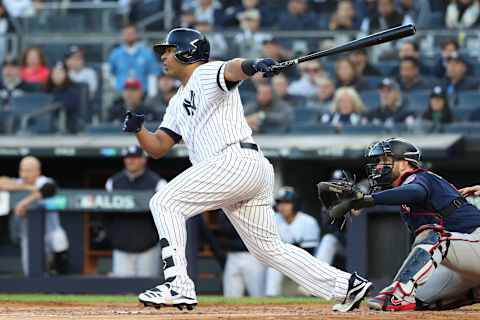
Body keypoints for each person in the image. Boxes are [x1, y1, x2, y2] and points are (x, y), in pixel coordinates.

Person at [122, 27, 371, 312]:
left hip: (233, 160)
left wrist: (253, 65)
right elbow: (159, 147)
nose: (163, 56)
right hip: (240, 170)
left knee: (164, 202)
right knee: (267, 249)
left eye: (167, 50)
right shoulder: (177, 101)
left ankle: (178, 285)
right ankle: (346, 285)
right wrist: (139, 130)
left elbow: (232, 69)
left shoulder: (204, 74)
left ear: (186, 52)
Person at [322, 138, 480, 311]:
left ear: (405, 163)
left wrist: (367, 200)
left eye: (385, 160)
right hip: (466, 259)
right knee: (420, 299)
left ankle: (398, 294)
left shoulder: (419, 177)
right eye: (379, 161)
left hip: (475, 239)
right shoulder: (407, 189)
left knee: (434, 237)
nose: (380, 166)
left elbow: (416, 192)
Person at [0, 156, 69, 276]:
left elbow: (49, 188)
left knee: (59, 240)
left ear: (38, 171)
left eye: (29, 170)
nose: (25, 174)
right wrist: (26, 187)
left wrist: (25, 202)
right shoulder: (19, 183)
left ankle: (58, 274)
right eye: (22, 170)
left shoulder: (44, 181)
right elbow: (1, 182)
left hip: (49, 232)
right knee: (30, 272)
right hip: (28, 236)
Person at [105, 145, 166, 277]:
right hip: (121, 247)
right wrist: (113, 238)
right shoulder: (113, 182)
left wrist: (156, 239)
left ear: (144, 160)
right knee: (122, 291)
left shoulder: (157, 183)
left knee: (147, 290)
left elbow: (165, 215)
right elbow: (106, 216)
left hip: (148, 247)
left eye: (135, 158)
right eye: (128, 158)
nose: (130, 161)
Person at [265, 187, 321, 296]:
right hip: (280, 261)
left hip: (305, 263)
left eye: (287, 203)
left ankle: (311, 294)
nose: (282, 206)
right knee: (273, 265)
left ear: (295, 204)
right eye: (280, 203)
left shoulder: (308, 221)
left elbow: (309, 252)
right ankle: (270, 296)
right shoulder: (272, 219)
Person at [216, 211, 266, 297]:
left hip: (253, 256)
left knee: (258, 295)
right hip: (232, 255)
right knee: (231, 297)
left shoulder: (255, 207)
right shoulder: (226, 208)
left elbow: (254, 228)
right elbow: (224, 229)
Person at [107, 24, 160, 97]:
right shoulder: (115, 54)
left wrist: (152, 94)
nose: (129, 35)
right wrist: (116, 87)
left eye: (131, 33)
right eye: (126, 33)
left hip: (143, 95)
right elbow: (109, 73)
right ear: (122, 35)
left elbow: (153, 74)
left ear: (136, 35)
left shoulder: (147, 53)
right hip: (121, 95)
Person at [45, 62, 83, 134]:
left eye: (60, 73)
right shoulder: (46, 90)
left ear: (66, 74)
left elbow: (66, 106)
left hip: (69, 128)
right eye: (55, 73)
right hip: (46, 127)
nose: (57, 76)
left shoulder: (73, 90)